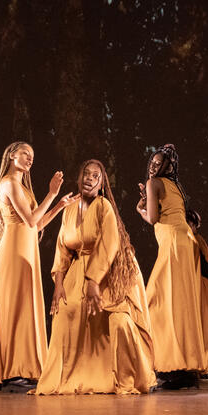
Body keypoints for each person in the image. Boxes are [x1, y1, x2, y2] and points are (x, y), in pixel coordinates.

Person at [35, 160, 157, 395]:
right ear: (79, 179)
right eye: (86, 174)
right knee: (64, 313)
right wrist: (58, 285)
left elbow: (109, 244)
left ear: (102, 184)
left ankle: (124, 376)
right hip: (77, 270)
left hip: (108, 272)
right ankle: (72, 376)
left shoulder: (104, 207)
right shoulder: (70, 208)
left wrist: (93, 281)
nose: (90, 178)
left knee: (119, 322)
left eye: (95, 176)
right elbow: (62, 248)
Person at [0, 142, 77, 392]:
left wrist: (59, 205)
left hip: (26, 248)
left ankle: (21, 367)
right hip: (15, 251)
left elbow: (36, 226)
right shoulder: (8, 183)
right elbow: (29, 219)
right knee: (12, 306)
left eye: (33, 156)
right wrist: (51, 194)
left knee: (24, 306)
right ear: (12, 155)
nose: (30, 159)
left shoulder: (21, 186)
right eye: (25, 154)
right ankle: (9, 369)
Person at [136, 144, 206, 388]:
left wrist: (141, 209)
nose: (154, 166)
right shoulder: (174, 185)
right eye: (152, 163)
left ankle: (168, 367)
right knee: (179, 304)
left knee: (157, 301)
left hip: (173, 244)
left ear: (169, 166)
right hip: (184, 242)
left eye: (159, 163)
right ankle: (183, 368)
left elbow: (154, 218)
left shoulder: (153, 183)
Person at [186, 209, 208, 380]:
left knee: (202, 323)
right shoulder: (191, 240)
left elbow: (205, 267)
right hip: (196, 284)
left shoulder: (196, 240)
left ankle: (205, 366)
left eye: (189, 223)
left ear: (194, 225)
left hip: (200, 284)